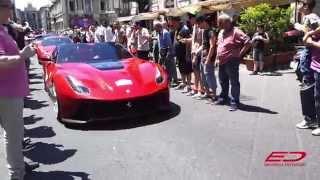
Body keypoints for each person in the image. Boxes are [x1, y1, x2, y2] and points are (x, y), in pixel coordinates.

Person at [0, 0, 37, 179]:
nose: (11, 10)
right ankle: (17, 174)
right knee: (13, 136)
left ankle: (18, 168)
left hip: (9, 91)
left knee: (12, 135)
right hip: (6, 93)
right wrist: (23, 55)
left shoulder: (3, 29)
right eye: (8, 6)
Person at [215, 14, 251, 111]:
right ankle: (223, 97)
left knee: (234, 82)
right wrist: (217, 59)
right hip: (221, 61)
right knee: (223, 81)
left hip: (231, 61)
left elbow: (248, 42)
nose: (218, 24)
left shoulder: (236, 32)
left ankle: (235, 101)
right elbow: (219, 45)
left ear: (227, 22)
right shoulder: (221, 32)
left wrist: (239, 54)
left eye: (220, 23)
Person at [294, 0, 320, 86]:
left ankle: (308, 81)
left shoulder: (311, 16)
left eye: (300, 3)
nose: (297, 5)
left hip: (311, 45)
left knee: (304, 62)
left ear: (306, 7)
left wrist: (303, 29)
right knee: (304, 62)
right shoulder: (307, 17)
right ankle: (307, 80)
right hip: (309, 45)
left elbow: (317, 27)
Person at [196, 15, 218, 102]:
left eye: (198, 23)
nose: (198, 25)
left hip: (208, 59)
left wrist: (208, 59)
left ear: (204, 22)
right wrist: (197, 51)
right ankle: (208, 93)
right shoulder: (204, 31)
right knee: (204, 76)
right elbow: (204, 45)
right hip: (203, 57)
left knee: (210, 76)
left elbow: (212, 46)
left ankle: (215, 95)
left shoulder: (211, 32)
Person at [303, 27, 320, 135]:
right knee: (316, 96)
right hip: (315, 67)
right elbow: (305, 40)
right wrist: (310, 32)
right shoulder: (316, 32)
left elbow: (309, 42)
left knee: (318, 97)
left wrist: (311, 42)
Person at [169, 16, 192, 90]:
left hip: (185, 53)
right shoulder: (177, 29)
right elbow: (176, 41)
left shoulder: (185, 29)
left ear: (177, 21)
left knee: (187, 69)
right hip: (179, 53)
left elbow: (189, 42)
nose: (172, 24)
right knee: (181, 69)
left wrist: (188, 54)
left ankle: (188, 85)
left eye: (173, 22)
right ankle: (184, 83)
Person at [154, 20, 176, 85]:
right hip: (161, 51)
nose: (154, 29)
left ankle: (172, 80)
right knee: (160, 66)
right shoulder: (159, 33)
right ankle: (165, 79)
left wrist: (169, 53)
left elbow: (169, 44)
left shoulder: (165, 33)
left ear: (158, 27)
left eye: (155, 28)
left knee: (169, 66)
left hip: (166, 51)